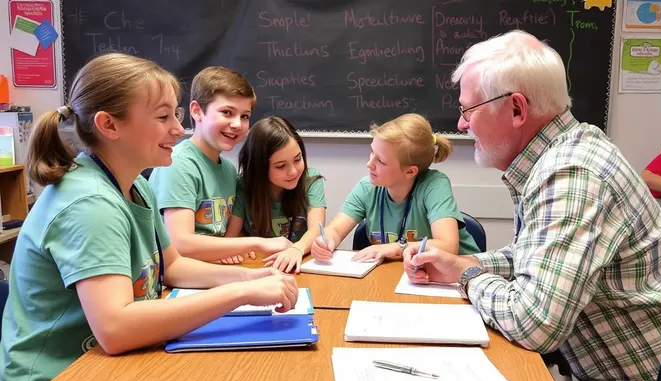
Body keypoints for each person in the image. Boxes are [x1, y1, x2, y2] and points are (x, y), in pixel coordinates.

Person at [0, 53, 298, 381]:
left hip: (110, 364)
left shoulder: (136, 183)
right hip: (62, 373)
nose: (177, 128)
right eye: (162, 117)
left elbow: (174, 266)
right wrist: (239, 295)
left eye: (176, 114)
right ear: (109, 124)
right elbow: (116, 329)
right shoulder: (90, 203)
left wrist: (249, 278)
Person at [403, 30, 661, 381]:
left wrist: (466, 276)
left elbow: (534, 324)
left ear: (516, 108)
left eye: (468, 109)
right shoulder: (567, 152)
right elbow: (535, 259)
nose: (461, 124)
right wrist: (467, 262)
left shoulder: (571, 173)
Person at [149, 67, 292, 263]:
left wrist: (234, 245)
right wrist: (254, 243)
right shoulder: (178, 164)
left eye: (245, 116)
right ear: (197, 111)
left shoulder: (228, 169)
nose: (237, 124)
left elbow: (222, 234)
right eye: (227, 112)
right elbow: (180, 243)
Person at [311, 113, 479, 263]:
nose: (369, 164)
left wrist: (395, 248)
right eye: (372, 153)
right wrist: (327, 241)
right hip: (404, 276)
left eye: (381, 161)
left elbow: (448, 246)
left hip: (456, 278)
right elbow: (335, 230)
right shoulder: (367, 187)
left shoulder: (434, 185)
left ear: (410, 171)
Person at [225, 116, 326, 273]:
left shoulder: (310, 180)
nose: (293, 171)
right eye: (280, 166)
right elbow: (230, 237)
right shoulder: (243, 186)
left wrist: (297, 249)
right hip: (258, 267)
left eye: (298, 159)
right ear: (260, 168)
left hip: (298, 266)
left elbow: (316, 230)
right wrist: (247, 244)